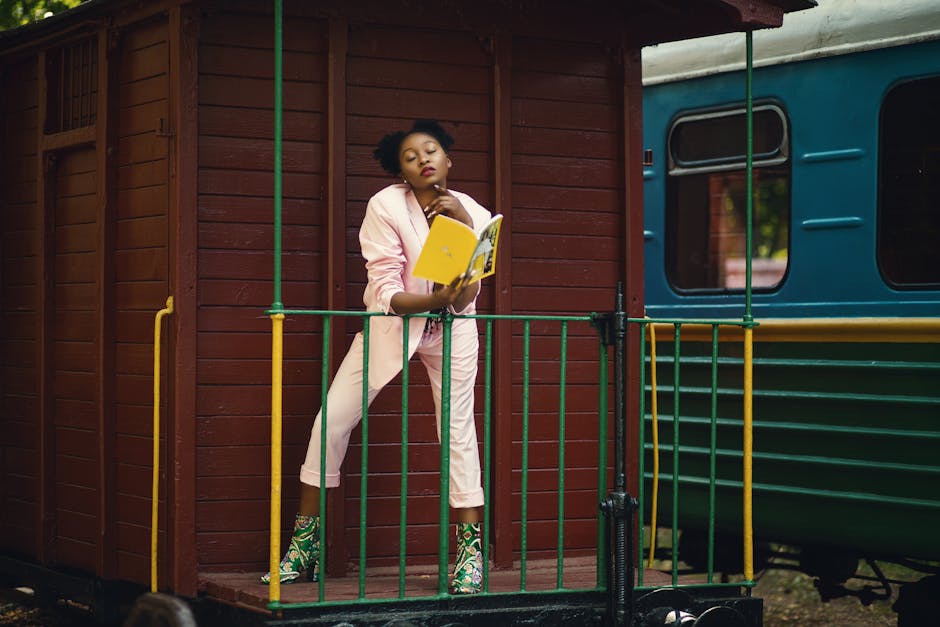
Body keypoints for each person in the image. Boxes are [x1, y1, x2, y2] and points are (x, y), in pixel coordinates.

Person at [262, 120, 489, 595]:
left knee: (458, 432)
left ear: (448, 159)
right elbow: (385, 288)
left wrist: (465, 231)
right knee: (331, 423)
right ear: (402, 172)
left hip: (453, 333)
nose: (424, 159)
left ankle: (470, 558)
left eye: (432, 150)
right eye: (411, 156)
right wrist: (431, 301)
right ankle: (304, 549)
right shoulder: (385, 206)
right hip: (392, 326)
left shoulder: (474, 211)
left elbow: (466, 298)